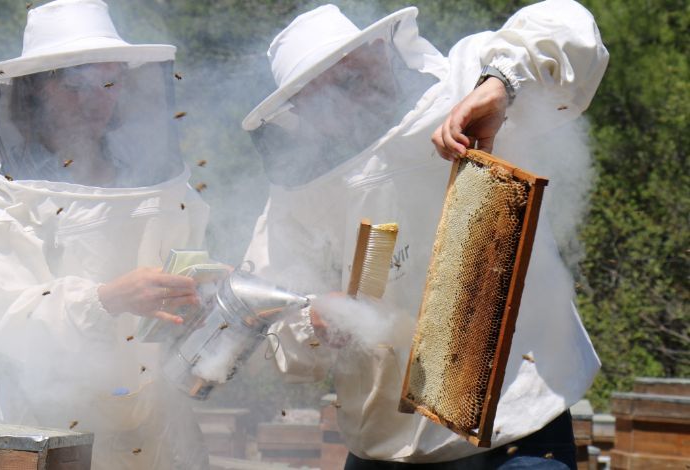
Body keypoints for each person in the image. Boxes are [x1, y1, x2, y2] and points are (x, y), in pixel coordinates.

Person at [241, 1, 608, 468]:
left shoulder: (463, 83)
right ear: (300, 109)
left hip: (514, 430)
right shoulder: (297, 195)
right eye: (323, 88)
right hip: (383, 449)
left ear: (380, 48)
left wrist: (501, 86)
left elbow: (568, 25)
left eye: (352, 70)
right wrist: (314, 324)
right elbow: (275, 325)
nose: (346, 91)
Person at [0, 1, 209, 468]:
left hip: (158, 430)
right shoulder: (0, 193)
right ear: (37, 89)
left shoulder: (160, 180)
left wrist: (207, 289)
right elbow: (6, 317)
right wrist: (105, 299)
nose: (97, 97)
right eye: (77, 84)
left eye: (109, 81)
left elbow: (188, 263)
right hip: (52, 430)